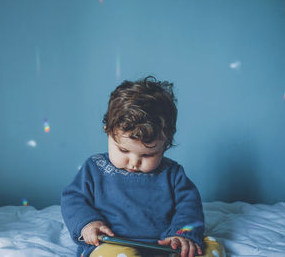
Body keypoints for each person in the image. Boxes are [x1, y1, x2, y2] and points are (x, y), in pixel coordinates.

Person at [61, 76, 222, 257]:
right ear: (108, 131)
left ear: (165, 145)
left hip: (165, 247)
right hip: (110, 244)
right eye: (123, 150)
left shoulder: (173, 174)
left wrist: (182, 235)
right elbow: (73, 199)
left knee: (211, 248)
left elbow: (189, 207)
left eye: (147, 155)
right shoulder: (94, 167)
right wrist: (88, 223)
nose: (134, 162)